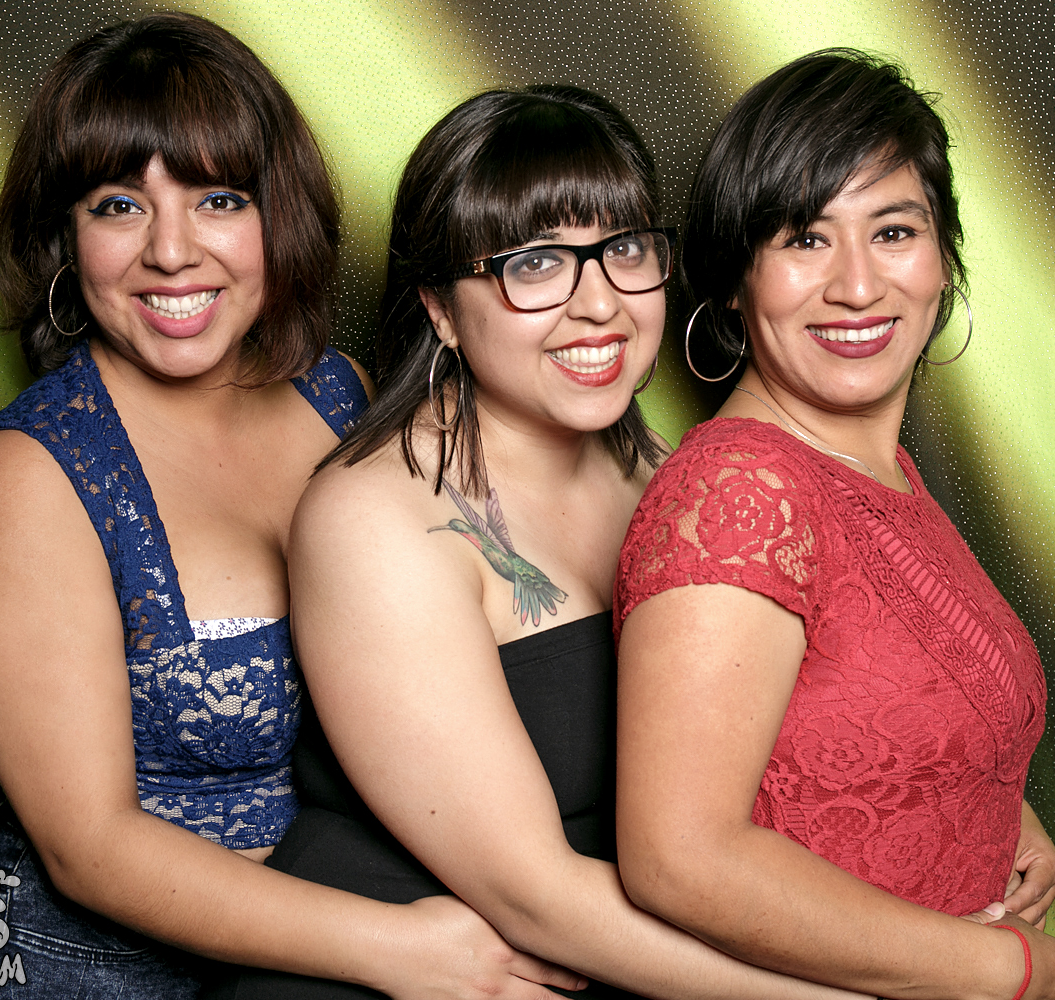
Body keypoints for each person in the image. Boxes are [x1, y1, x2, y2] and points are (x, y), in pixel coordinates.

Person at [0, 14, 585, 999]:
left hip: (331, 944)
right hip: (71, 974)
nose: (172, 251)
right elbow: (89, 848)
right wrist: (403, 948)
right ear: (65, 237)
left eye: (218, 199)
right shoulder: (26, 476)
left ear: (278, 216)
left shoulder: (340, 393)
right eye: (118, 206)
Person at [214, 86, 867, 1000]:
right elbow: (537, 897)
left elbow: (812, 715)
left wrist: (989, 805)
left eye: (624, 250)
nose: (598, 304)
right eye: (534, 264)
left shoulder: (666, 472)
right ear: (441, 310)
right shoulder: (373, 518)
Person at [613, 50, 1055, 1000]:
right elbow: (680, 857)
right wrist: (1000, 966)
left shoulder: (877, 471)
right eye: (805, 239)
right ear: (735, 279)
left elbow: (854, 725)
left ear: (943, 257)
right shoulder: (744, 491)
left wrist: (994, 795)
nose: (858, 286)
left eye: (894, 231)